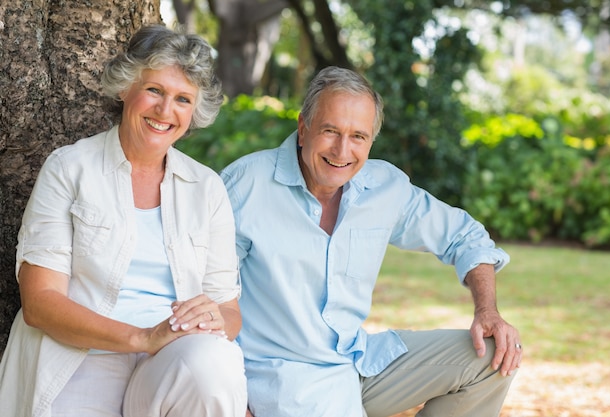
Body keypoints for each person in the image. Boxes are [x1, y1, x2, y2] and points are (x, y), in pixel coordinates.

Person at [220, 66, 522, 417]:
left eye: (358, 137)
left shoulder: (384, 187)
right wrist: (232, 400)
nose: (342, 150)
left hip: (355, 363)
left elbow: (465, 236)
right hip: (277, 382)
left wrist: (488, 312)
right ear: (303, 129)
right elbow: (203, 292)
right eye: (330, 131)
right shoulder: (247, 184)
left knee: (493, 356)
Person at [0, 25, 247, 417]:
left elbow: (228, 312)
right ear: (125, 88)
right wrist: (144, 337)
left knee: (216, 364)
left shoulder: (207, 188)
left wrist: (214, 319)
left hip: (169, 361)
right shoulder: (69, 169)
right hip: (80, 354)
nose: (166, 111)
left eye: (183, 99)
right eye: (154, 91)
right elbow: (40, 303)